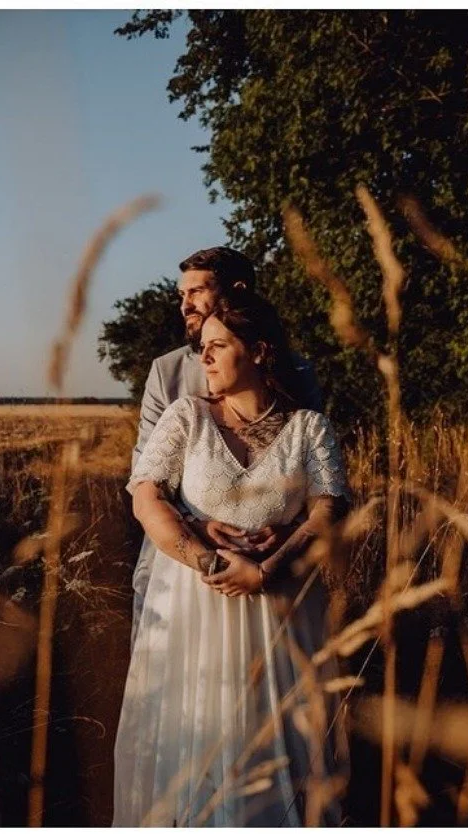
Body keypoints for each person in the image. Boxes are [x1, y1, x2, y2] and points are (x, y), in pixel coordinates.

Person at [113, 292, 348, 827]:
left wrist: (268, 569)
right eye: (202, 347)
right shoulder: (187, 417)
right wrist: (207, 561)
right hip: (192, 616)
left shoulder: (309, 428)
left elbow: (328, 509)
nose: (204, 358)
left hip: (280, 617)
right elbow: (145, 496)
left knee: (274, 747)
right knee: (195, 741)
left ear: (260, 351)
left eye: (217, 345)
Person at [129, 246, 323, 645]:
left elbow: (312, 466)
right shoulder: (166, 372)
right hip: (181, 563)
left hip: (274, 569)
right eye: (181, 295)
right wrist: (197, 527)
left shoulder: (297, 370)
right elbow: (144, 479)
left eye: (197, 291)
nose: (185, 305)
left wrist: (287, 534)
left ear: (237, 289)